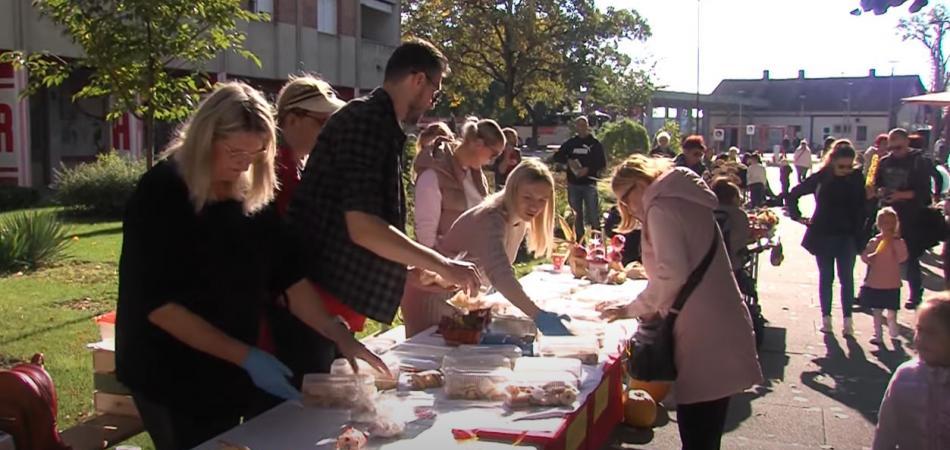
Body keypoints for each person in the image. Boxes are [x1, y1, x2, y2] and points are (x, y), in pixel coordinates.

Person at [115, 82, 386, 450]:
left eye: (256, 153)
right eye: (235, 151)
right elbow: (161, 307)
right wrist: (247, 356)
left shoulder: (249, 194)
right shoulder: (162, 192)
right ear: (204, 138)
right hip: (167, 368)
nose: (244, 162)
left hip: (226, 365)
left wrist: (337, 334)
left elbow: (288, 276)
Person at [287, 39, 481, 331]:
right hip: (316, 305)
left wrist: (406, 270)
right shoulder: (367, 122)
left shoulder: (378, 123)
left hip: (330, 301)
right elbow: (363, 227)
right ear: (418, 80)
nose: (432, 102)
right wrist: (441, 264)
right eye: (435, 92)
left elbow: (359, 224)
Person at [598, 155, 762, 450]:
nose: (627, 208)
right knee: (707, 428)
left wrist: (630, 309)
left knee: (697, 431)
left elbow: (671, 275)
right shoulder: (683, 198)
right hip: (717, 322)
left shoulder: (660, 207)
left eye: (626, 197)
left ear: (641, 183)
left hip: (701, 331)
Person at [401, 160, 570, 337]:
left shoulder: (518, 220)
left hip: (458, 298)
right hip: (431, 295)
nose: (535, 206)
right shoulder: (491, 219)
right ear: (512, 192)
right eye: (527, 197)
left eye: (542, 200)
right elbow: (500, 275)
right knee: (431, 360)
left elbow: (500, 270)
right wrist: (537, 314)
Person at [260, 74, 356, 385]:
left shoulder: (300, 167)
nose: (330, 130)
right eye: (322, 121)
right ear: (291, 119)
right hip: (285, 317)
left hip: (310, 308)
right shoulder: (272, 170)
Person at [787, 140, 870, 335]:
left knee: (846, 279)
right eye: (842, 166)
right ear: (832, 162)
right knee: (826, 277)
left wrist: (870, 199)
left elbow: (863, 209)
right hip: (824, 233)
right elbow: (794, 193)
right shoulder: (822, 177)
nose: (846, 170)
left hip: (848, 234)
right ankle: (826, 319)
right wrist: (797, 216)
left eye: (850, 166)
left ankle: (848, 321)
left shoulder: (857, 178)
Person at [872, 294, 950, 450]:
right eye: (919, 330)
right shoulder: (905, 376)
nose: (921, 338)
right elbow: (886, 431)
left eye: (932, 333)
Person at [872, 128, 937, 309]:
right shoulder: (884, 162)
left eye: (898, 147)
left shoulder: (918, 162)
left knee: (911, 256)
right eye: (891, 147)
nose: (894, 152)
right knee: (877, 250)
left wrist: (900, 195)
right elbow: (876, 183)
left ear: (907, 143)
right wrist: (880, 192)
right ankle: (867, 292)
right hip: (887, 213)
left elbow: (923, 191)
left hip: (910, 214)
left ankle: (915, 294)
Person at [413, 118, 503, 248]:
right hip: (443, 263)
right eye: (493, 154)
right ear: (478, 144)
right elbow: (425, 237)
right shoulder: (433, 175)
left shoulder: (477, 175)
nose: (492, 161)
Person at [552, 115, 607, 241]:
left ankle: (596, 242)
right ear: (576, 127)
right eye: (579, 125)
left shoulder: (594, 144)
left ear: (588, 126)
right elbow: (557, 157)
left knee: (593, 214)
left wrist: (588, 169)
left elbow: (601, 163)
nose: (581, 127)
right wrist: (568, 161)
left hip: (589, 184)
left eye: (584, 125)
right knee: (576, 216)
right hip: (574, 184)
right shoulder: (570, 144)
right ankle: (579, 242)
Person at [858, 207, 908, 345]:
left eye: (891, 223)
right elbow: (865, 256)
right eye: (884, 223)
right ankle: (878, 334)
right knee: (877, 312)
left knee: (892, 312)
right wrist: (869, 257)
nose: (888, 226)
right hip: (876, 282)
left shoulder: (898, 242)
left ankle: (893, 332)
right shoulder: (875, 241)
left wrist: (893, 244)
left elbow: (902, 257)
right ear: (879, 224)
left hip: (892, 282)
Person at [712, 178, 750, 272]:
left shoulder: (707, 210)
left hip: (706, 264)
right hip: (731, 264)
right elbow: (741, 241)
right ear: (734, 198)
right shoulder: (739, 215)